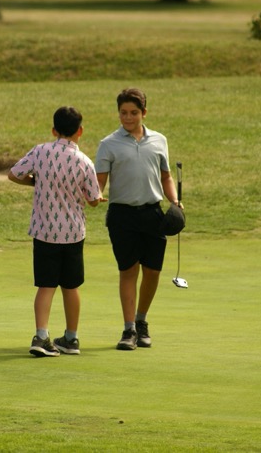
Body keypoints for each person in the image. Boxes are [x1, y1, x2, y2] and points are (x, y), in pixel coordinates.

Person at [8, 106, 103, 357]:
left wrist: (35, 181)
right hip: (73, 232)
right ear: (80, 131)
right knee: (71, 287)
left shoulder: (40, 151)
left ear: (54, 130)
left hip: (44, 230)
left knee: (46, 285)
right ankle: (71, 338)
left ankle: (41, 336)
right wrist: (94, 198)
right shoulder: (85, 162)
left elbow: (14, 174)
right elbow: (94, 199)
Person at [94, 87, 182, 350]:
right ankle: (129, 328)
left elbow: (166, 176)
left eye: (133, 113)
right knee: (128, 271)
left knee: (153, 271)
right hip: (122, 216)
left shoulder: (159, 140)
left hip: (153, 213)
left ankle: (141, 320)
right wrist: (96, 195)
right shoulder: (108, 144)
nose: (128, 118)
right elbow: (100, 182)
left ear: (144, 112)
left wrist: (174, 200)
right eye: (123, 113)